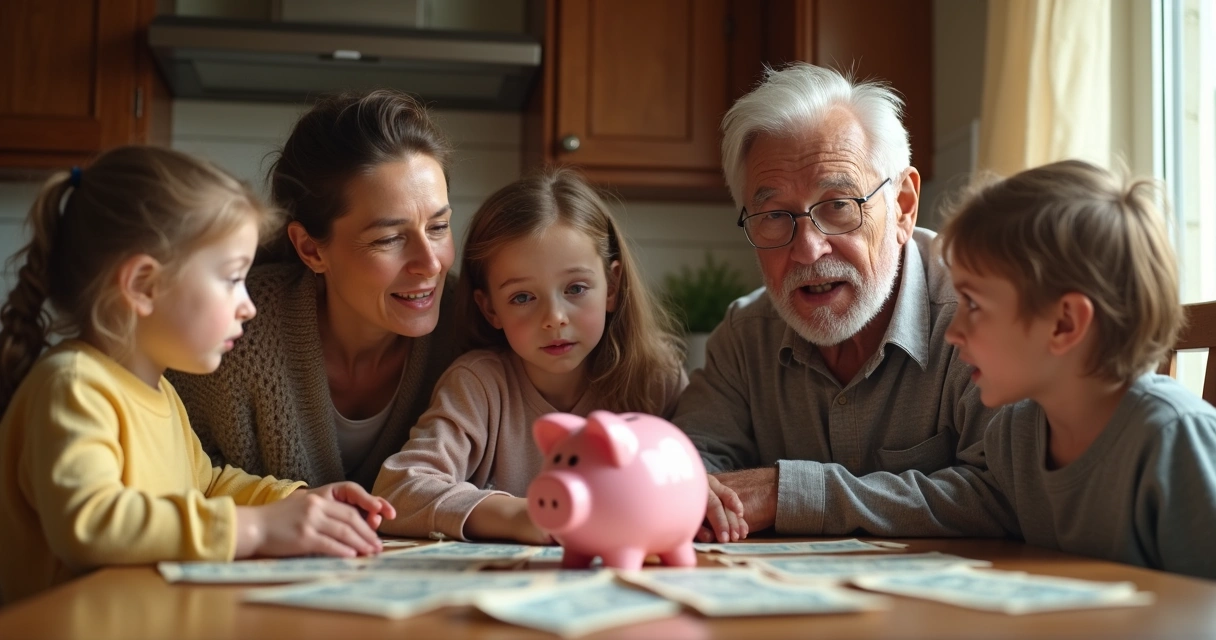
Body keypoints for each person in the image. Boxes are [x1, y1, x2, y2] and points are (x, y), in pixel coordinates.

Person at [0, 147, 395, 604]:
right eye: (231, 279)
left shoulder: (161, 392)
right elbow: (90, 524)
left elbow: (207, 486)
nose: (248, 305)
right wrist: (257, 529)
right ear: (143, 285)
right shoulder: (71, 386)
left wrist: (299, 501)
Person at [679, 62, 998, 539]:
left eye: (839, 206)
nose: (807, 248)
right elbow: (687, 465)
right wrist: (691, 489)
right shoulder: (746, 338)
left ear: (903, 207)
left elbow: (1002, 493)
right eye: (774, 215)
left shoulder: (980, 318)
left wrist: (788, 492)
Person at [373, 168, 743, 544]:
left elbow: (691, 475)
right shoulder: (479, 385)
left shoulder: (654, 378)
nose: (554, 319)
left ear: (612, 287)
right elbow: (398, 489)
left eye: (576, 288)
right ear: (490, 310)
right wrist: (522, 516)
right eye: (522, 297)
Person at [897, 159, 1215, 578]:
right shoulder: (1015, 436)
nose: (953, 332)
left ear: (1064, 324)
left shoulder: (1174, 437)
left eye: (973, 305)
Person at [168, 90, 463, 491]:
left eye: (438, 227)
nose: (430, 263)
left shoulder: (475, 329)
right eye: (389, 239)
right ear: (311, 249)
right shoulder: (232, 337)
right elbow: (175, 479)